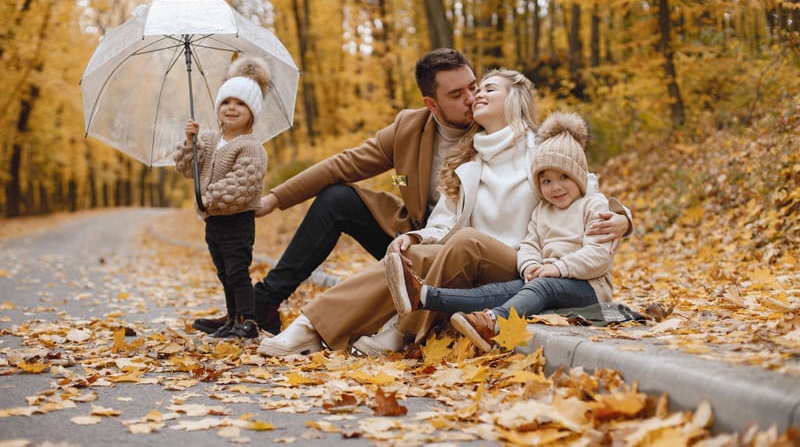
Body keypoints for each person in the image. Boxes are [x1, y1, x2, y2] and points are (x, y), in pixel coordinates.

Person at [193, 49, 628, 345]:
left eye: (476, 86)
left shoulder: (499, 126)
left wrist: (621, 217)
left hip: (490, 253)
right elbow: (344, 163)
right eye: (457, 95)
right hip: (425, 232)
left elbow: (571, 176)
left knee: (449, 247)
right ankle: (270, 304)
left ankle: (395, 327)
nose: (472, 97)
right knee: (337, 198)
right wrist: (275, 198)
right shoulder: (410, 128)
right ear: (431, 102)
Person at [388, 112, 619, 352]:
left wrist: (556, 268)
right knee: (501, 290)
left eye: (563, 177)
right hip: (549, 280)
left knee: (543, 287)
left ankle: (493, 322)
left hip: (589, 287)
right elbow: (530, 244)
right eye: (546, 181)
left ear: (579, 176)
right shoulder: (542, 211)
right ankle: (424, 296)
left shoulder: (593, 205)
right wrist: (529, 265)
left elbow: (598, 256)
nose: (556, 187)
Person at [174, 56, 270, 339]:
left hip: (237, 222)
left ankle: (248, 320)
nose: (232, 108)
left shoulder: (251, 148)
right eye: (227, 102)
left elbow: (241, 185)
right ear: (218, 108)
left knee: (238, 270)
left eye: (241, 104)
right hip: (213, 221)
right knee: (223, 272)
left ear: (252, 113)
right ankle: (232, 317)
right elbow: (184, 168)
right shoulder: (208, 140)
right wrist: (190, 142)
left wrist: (207, 198)